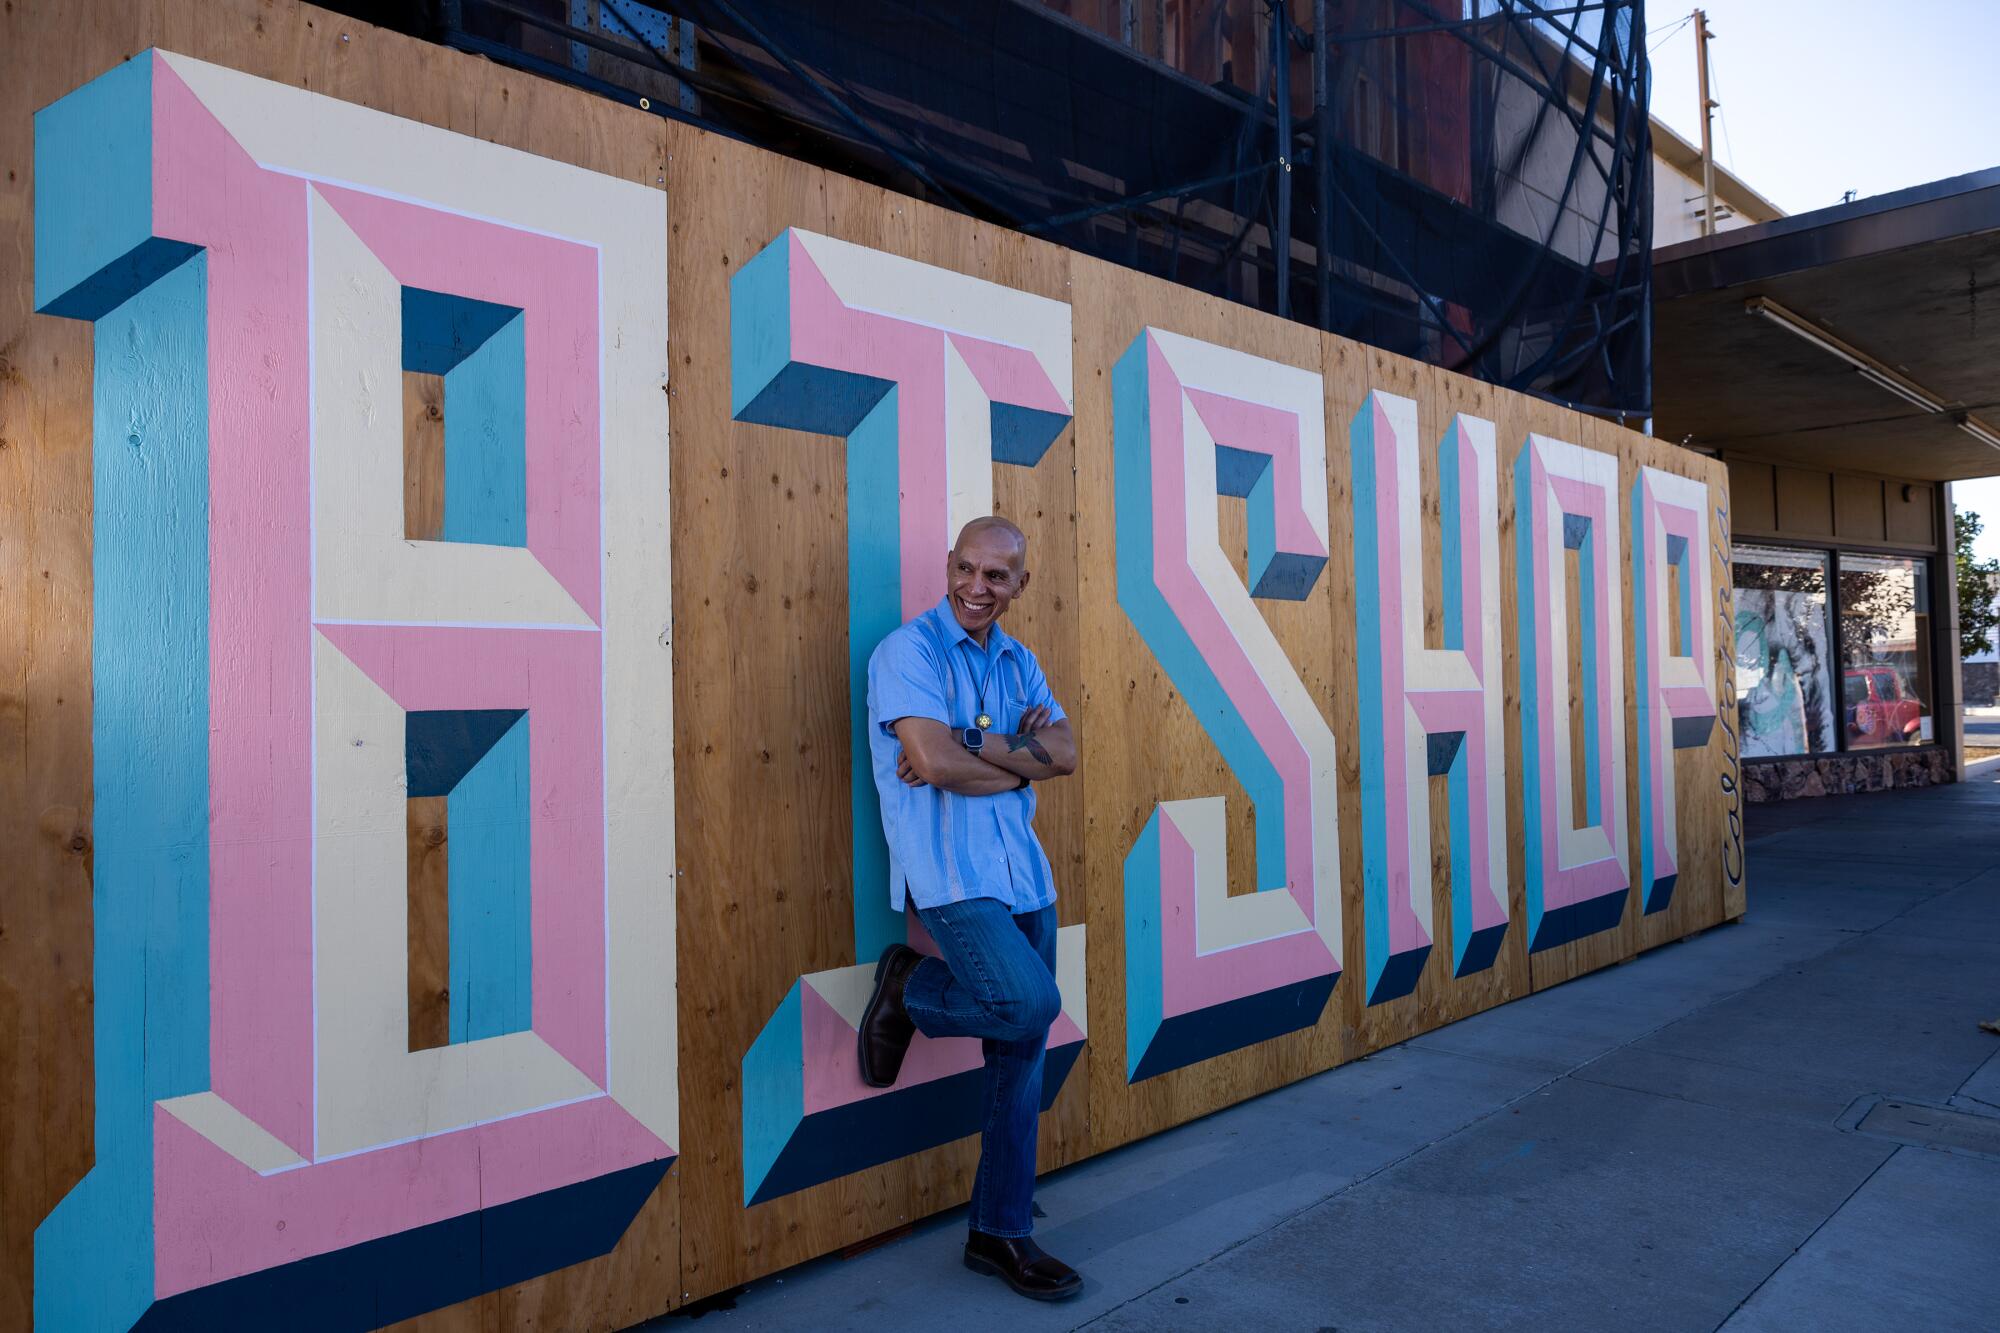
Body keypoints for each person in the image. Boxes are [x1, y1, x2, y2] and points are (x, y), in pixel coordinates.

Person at [856, 515, 1083, 1302]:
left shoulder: (1021, 660)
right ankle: (911, 988)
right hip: (950, 877)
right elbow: (934, 762)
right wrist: (1018, 765)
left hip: (1024, 875)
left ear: (1021, 583)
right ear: (949, 565)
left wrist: (969, 746)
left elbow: (1067, 751)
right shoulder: (906, 653)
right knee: (1027, 1003)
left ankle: (999, 1231)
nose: (978, 587)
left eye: (997, 576)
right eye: (968, 569)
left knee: (1020, 1060)